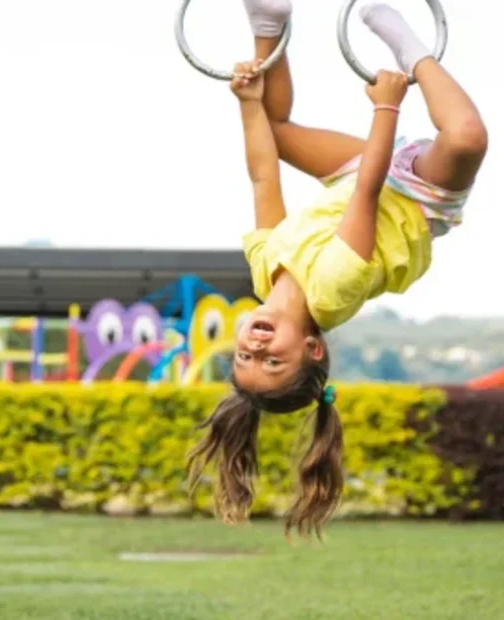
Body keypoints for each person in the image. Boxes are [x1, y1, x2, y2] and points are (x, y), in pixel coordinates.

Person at [187, 0, 488, 538]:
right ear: (311, 349)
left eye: (244, 357)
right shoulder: (332, 290)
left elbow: (262, 178)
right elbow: (369, 195)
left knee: (273, 128)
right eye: (271, 362)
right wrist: (387, 108)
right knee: (466, 137)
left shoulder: (263, 272)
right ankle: (411, 48)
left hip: (356, 176)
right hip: (416, 198)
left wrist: (249, 104)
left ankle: (267, 24)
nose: (255, 348)